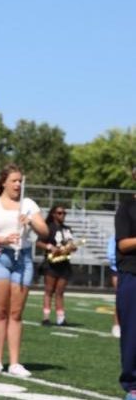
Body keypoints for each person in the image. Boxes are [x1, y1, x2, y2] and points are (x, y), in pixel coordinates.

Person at [0, 163, 49, 377]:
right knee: (0, 312)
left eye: (20, 181)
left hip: (23, 258)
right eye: (14, 181)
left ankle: (15, 363)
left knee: (16, 313)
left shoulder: (28, 204)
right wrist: (3, 238)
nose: (18, 184)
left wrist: (30, 222)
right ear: (4, 183)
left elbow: (44, 231)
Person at [114, 164, 136, 400]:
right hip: (133, 274)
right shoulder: (127, 207)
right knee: (133, 333)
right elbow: (123, 244)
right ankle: (132, 384)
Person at [35, 205, 78, 326]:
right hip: (51, 263)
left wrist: (72, 247)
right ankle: (46, 317)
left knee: (60, 292)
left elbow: (70, 243)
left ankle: (61, 318)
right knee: (49, 290)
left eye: (64, 213)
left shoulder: (67, 229)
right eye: (59, 213)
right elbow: (38, 242)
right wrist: (50, 247)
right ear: (53, 214)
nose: (62, 215)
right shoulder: (48, 228)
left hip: (64, 263)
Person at [108, 233, 121, 338]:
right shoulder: (116, 236)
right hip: (118, 270)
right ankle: (116, 325)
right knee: (120, 298)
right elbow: (111, 255)